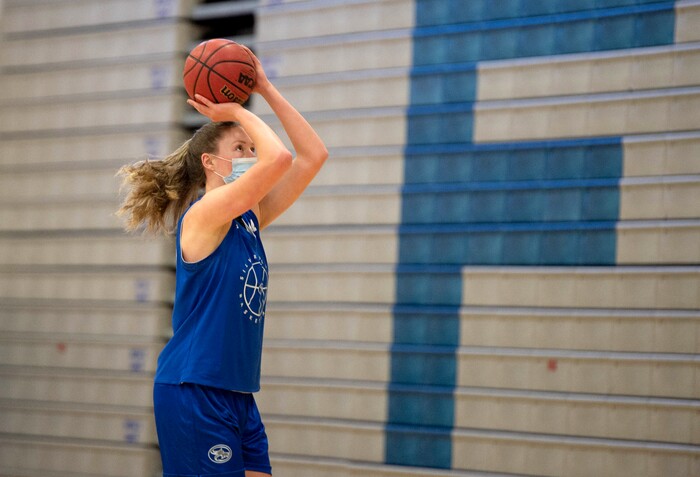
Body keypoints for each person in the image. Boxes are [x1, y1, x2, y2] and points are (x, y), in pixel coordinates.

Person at [117, 46, 328, 477]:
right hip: (194, 388)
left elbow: (312, 156)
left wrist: (264, 87)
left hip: (237, 393)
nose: (253, 155)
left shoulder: (249, 218)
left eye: (253, 148)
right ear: (211, 162)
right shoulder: (203, 215)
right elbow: (281, 158)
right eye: (241, 147)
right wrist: (236, 110)